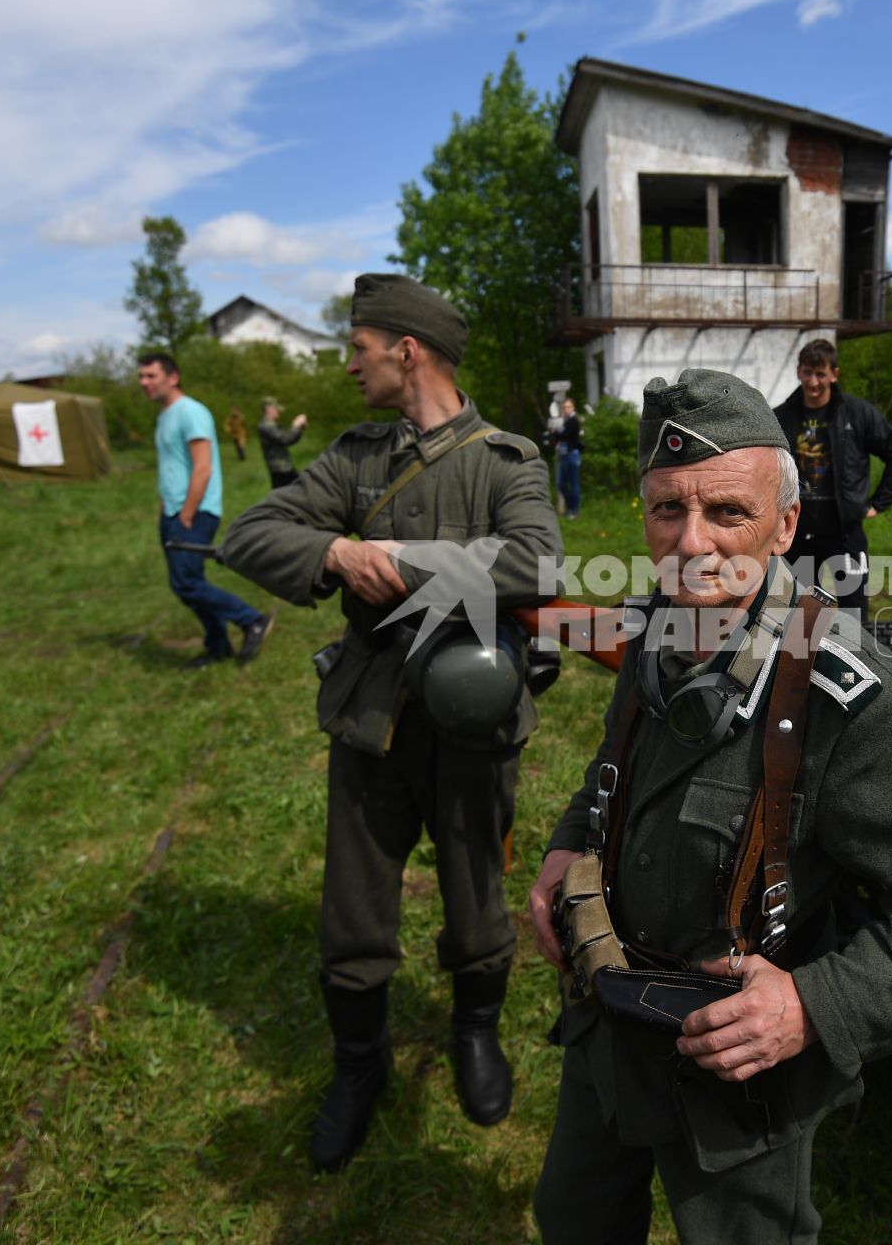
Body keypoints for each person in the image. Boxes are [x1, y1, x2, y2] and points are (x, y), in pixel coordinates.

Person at [526, 368, 892, 1244]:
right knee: (572, 1217)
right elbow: (616, 766)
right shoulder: (653, 630)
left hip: (736, 1078)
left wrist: (811, 1009)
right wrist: (571, 845)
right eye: (666, 509)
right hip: (608, 1029)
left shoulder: (845, 699)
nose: (691, 543)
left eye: (727, 513)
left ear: (787, 524)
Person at [221, 275, 563, 1170]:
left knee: (478, 903)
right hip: (370, 720)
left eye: (359, 348)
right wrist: (332, 549)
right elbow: (248, 533)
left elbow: (533, 563)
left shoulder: (505, 460)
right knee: (354, 917)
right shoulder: (355, 458)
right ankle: (357, 1065)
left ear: (406, 351)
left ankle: (475, 1033)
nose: (348, 365)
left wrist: (397, 562)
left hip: (472, 722)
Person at [140, 352, 271, 670]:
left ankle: (251, 619)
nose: (144, 383)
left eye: (151, 376)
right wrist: (164, 506)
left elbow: (203, 468)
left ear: (173, 377)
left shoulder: (191, 412)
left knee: (185, 583)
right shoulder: (164, 415)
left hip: (194, 511)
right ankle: (218, 646)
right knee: (186, 582)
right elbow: (172, 466)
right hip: (172, 511)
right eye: (141, 377)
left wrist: (186, 515)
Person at [772, 338, 892, 618]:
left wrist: (877, 503)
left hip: (844, 532)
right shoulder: (781, 416)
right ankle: (799, 662)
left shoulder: (857, 413)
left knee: (854, 616)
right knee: (794, 612)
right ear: (798, 371)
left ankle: (853, 659)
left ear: (834, 374)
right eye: (808, 373)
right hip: (797, 532)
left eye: (820, 374)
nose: (813, 382)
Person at [258, 396, 307, 489]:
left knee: (296, 492)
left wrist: (300, 429)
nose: (279, 411)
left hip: (284, 467)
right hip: (279, 469)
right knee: (297, 492)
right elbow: (284, 439)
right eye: (276, 409)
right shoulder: (265, 425)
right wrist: (296, 425)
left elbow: (289, 440)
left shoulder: (271, 424)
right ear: (269, 409)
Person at [550, 396, 583, 518]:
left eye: (568, 407)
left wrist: (557, 432)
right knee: (561, 483)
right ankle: (570, 507)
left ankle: (574, 511)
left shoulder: (574, 420)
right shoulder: (563, 420)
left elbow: (566, 434)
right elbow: (556, 436)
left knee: (573, 483)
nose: (566, 409)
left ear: (573, 407)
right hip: (563, 455)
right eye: (564, 407)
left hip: (572, 454)